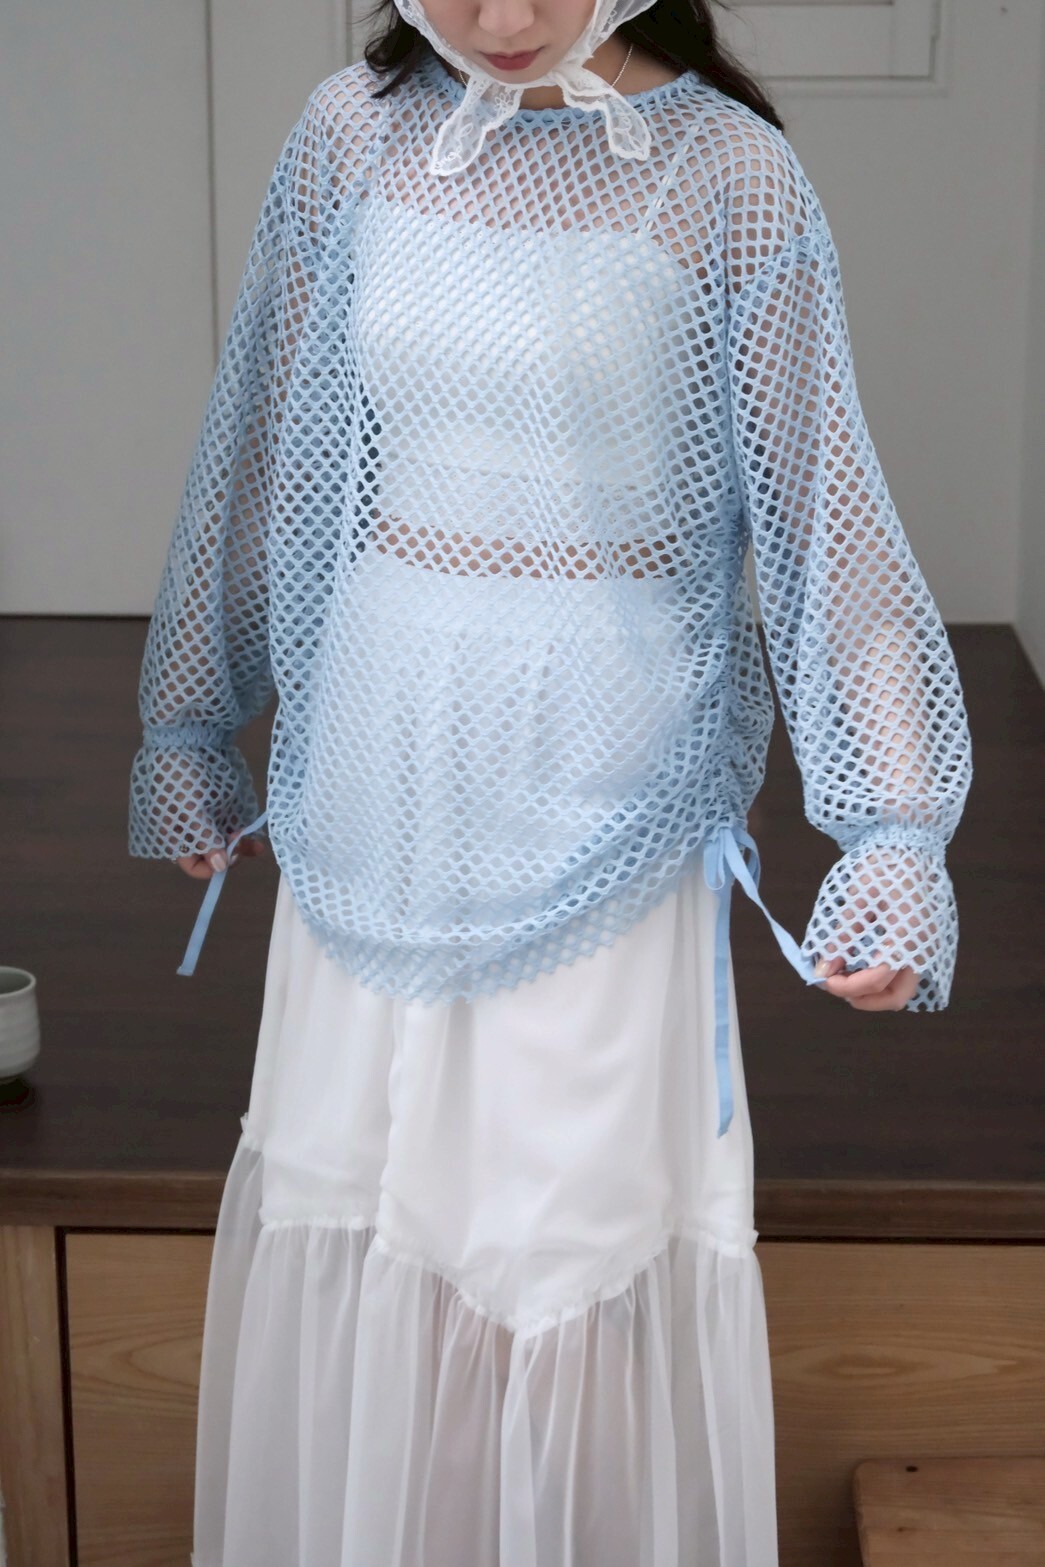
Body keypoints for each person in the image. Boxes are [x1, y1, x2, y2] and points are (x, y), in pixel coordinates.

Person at [127, 2, 973, 1562]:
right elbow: (265, 445)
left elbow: (823, 519)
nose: (503, 20)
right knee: (361, 1205)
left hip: (605, 778)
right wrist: (193, 717)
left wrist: (893, 828)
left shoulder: (727, 176)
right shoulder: (349, 135)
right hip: (378, 760)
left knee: (561, 1254)